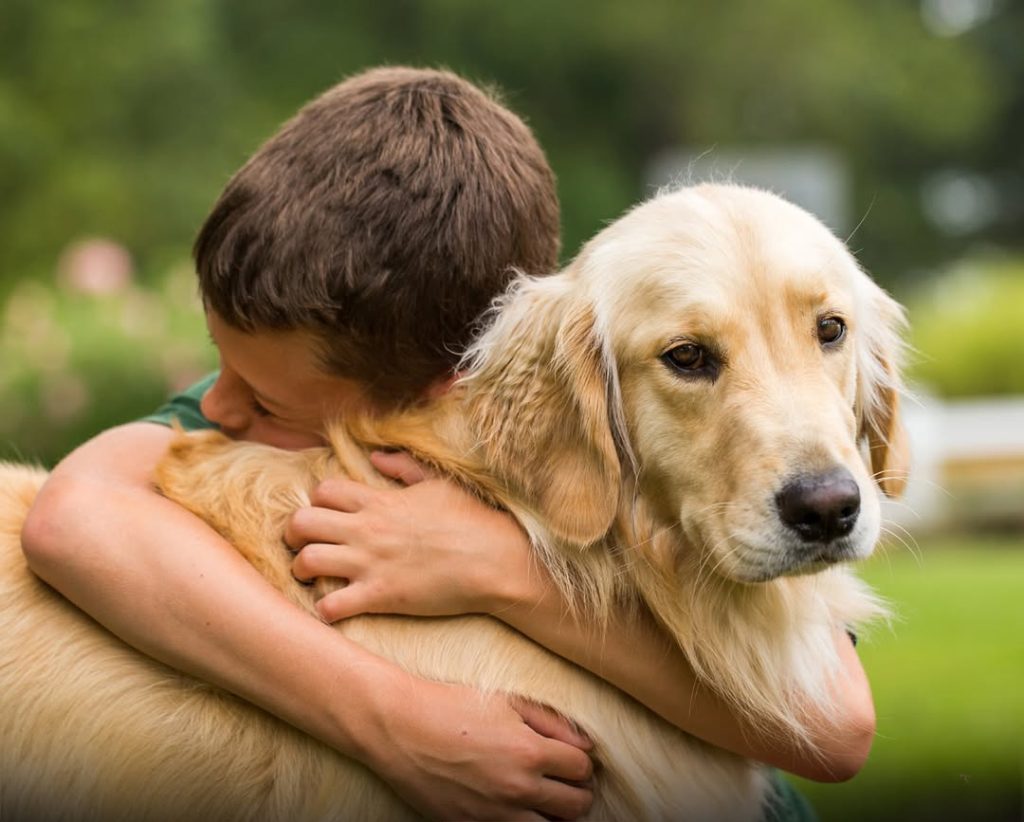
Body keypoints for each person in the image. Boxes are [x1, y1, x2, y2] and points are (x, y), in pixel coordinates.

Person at [21, 66, 872, 821]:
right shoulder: (256, 404)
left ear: (441, 391)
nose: (219, 405)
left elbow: (837, 728)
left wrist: (502, 573)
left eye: (266, 395)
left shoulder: (555, 389)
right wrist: (393, 719)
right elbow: (71, 517)